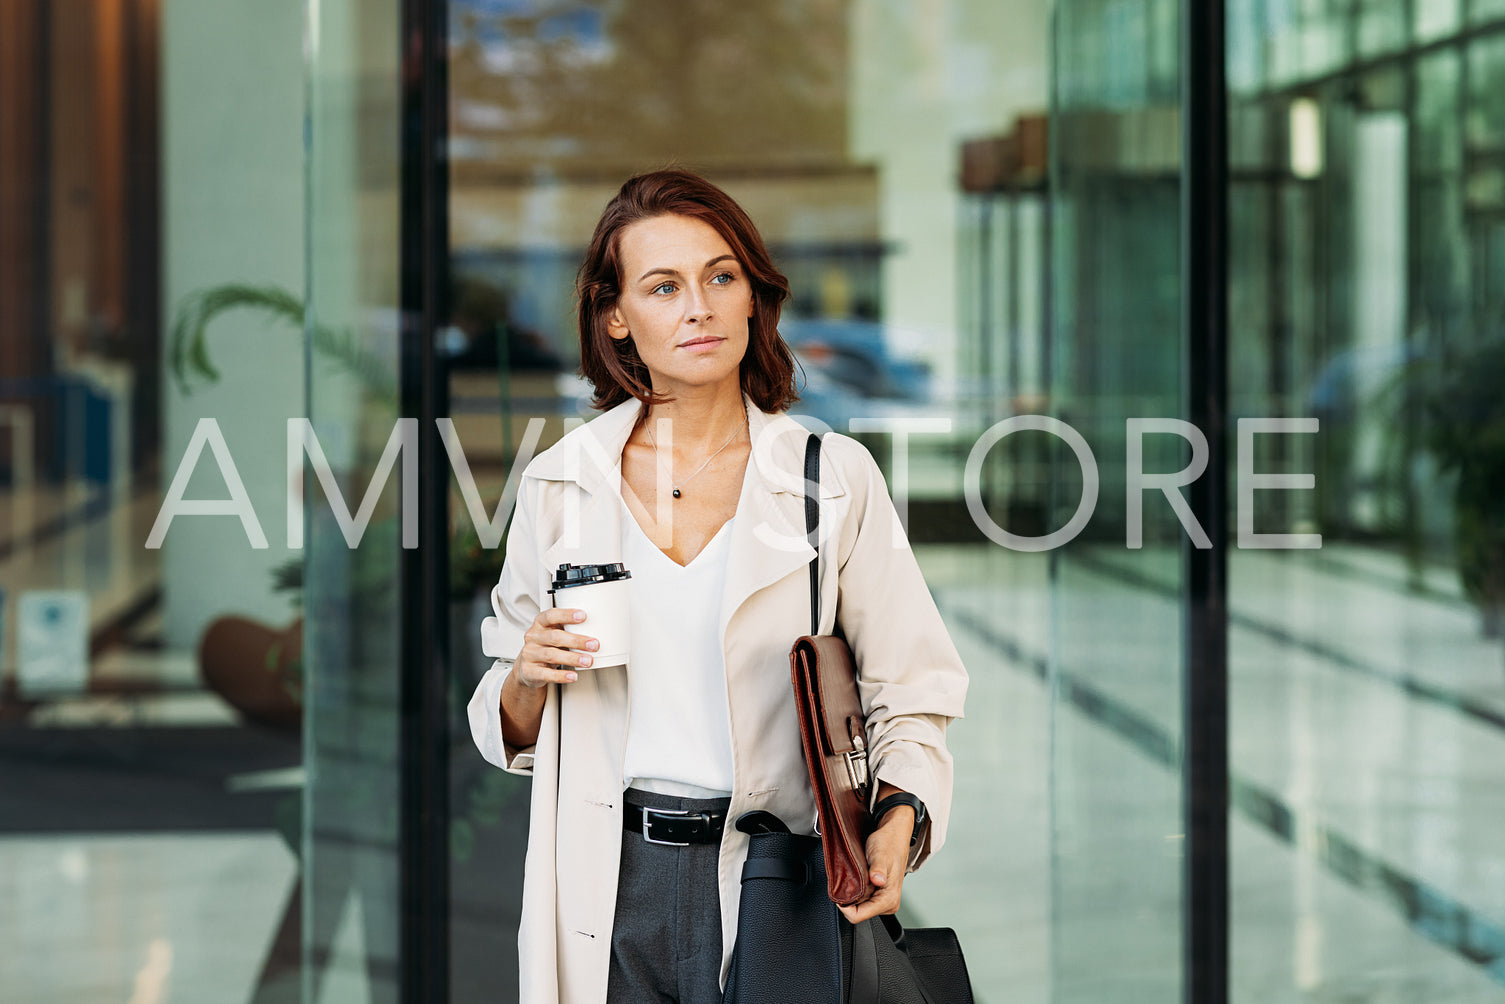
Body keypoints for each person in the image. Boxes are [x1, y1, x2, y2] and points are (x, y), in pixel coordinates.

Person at [468, 169, 968, 1004]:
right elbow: (505, 721)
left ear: (751, 301)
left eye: (720, 277)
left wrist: (902, 813)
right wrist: (527, 672)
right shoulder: (563, 485)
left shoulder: (828, 476)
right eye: (663, 286)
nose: (697, 306)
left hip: (783, 879)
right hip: (609, 883)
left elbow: (912, 683)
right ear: (617, 318)